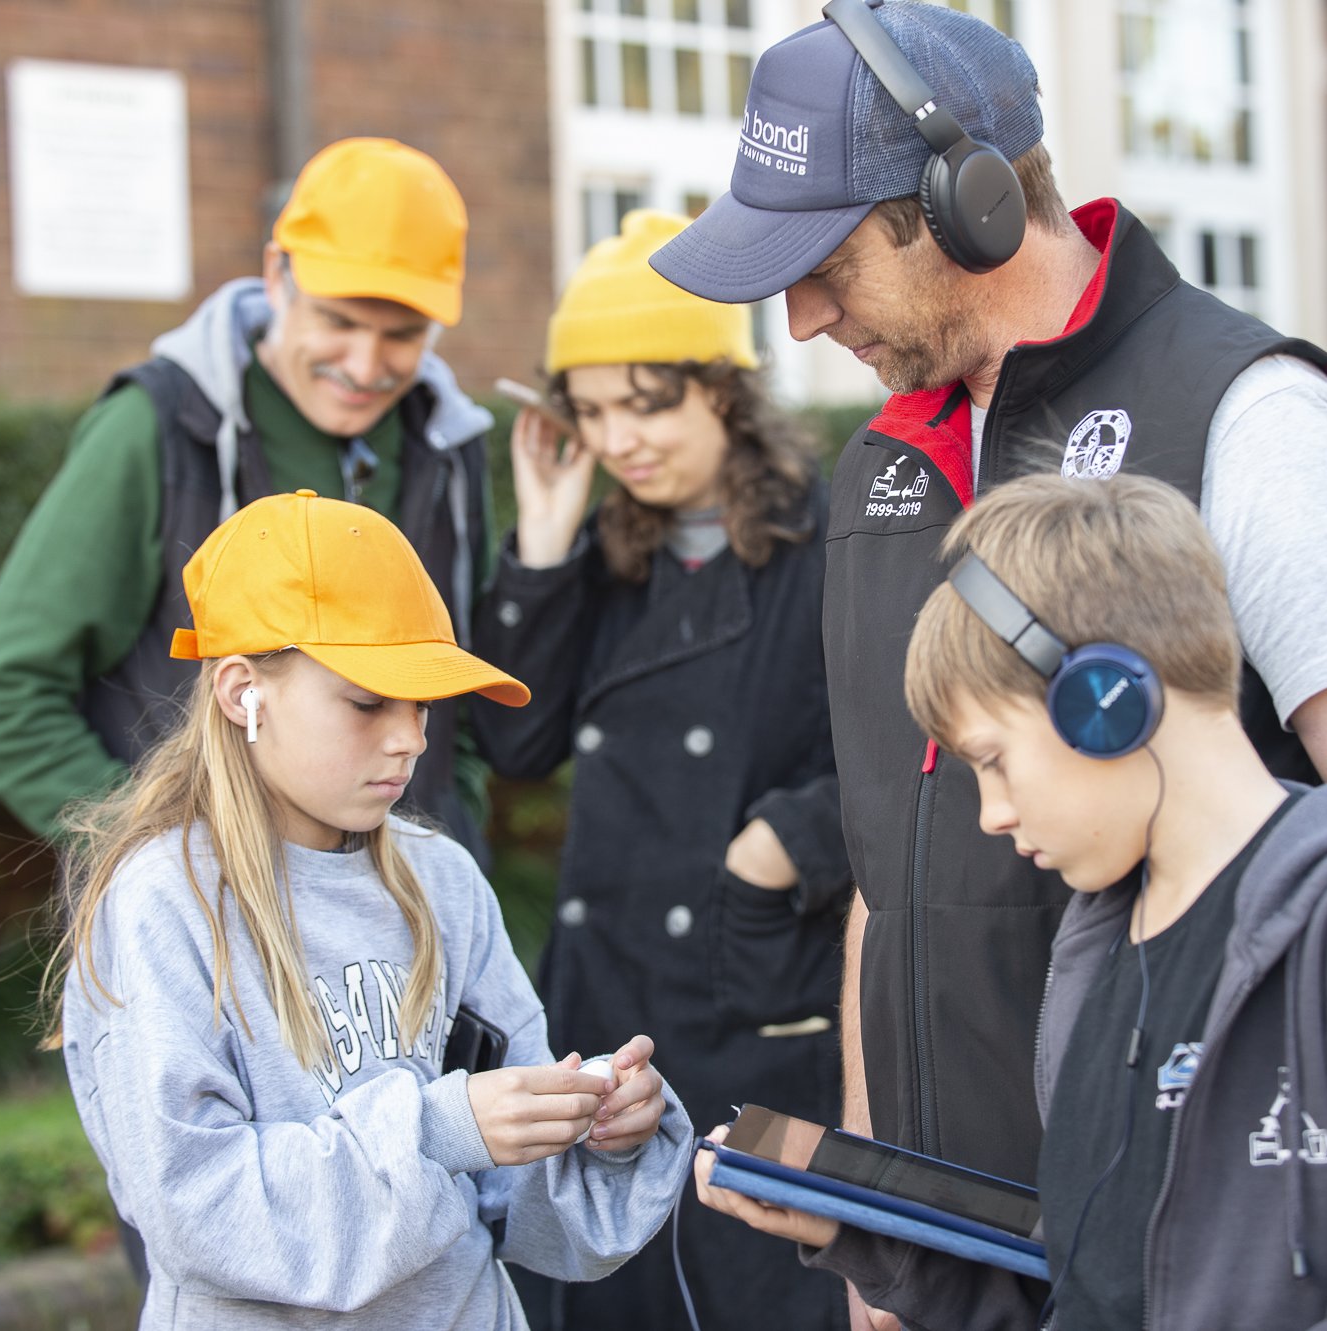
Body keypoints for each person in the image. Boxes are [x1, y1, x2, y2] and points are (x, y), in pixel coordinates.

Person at [651, 5, 1327, 1317]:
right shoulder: (879, 465)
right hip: (968, 1270)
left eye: (827, 258)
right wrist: (872, 1227)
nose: (800, 314)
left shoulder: (1257, 418)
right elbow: (883, 878)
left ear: (974, 205)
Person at [696, 473, 1327, 1331]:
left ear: (1107, 703)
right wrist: (859, 1226)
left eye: (993, 761)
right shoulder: (1098, 944)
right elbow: (1088, 1287)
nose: (992, 814)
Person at [46, 488, 693, 1330]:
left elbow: (521, 1199)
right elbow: (194, 1208)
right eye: (367, 701)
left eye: (421, 703)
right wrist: (440, 1129)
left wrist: (603, 1132)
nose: (411, 740)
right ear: (244, 691)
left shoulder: (443, 881)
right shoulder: (162, 903)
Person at [469, 210, 849, 1331]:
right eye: (590, 411)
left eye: (648, 402)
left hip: (764, 1007)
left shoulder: (830, 545)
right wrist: (541, 540)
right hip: (606, 1009)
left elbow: (912, 750)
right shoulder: (601, 557)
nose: (621, 440)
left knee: (765, 1274)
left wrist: (780, 842)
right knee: (610, 1289)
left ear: (722, 391)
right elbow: (515, 743)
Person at [0, 137, 496, 857]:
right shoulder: (156, 428)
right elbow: (3, 695)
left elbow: (460, 704)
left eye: (402, 335)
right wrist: (165, 862)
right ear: (277, 275)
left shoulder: (450, 447)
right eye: (338, 321)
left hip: (408, 922)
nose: (366, 366)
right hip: (213, 935)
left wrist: (451, 839)